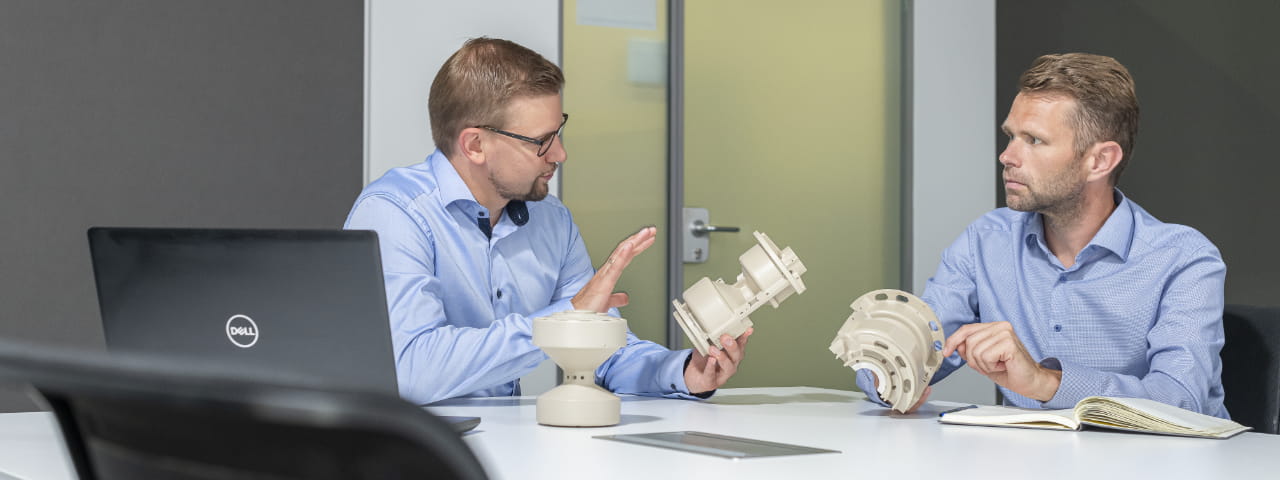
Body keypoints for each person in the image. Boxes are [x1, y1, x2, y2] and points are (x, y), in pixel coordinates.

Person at [344, 37, 750, 405]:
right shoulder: (395, 214)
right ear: (475, 144)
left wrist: (684, 372)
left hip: (511, 442)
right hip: (413, 448)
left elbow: (602, 350)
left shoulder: (552, 221)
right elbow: (413, 369)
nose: (560, 154)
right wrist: (564, 319)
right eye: (541, 141)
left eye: (559, 133)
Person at [857, 53, 1229, 418]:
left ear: (1100, 161)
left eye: (1034, 140)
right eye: (1011, 136)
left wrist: (1044, 382)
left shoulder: (1184, 259)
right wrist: (886, 374)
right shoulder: (985, 242)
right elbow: (912, 347)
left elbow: (1181, 401)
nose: (1007, 156)